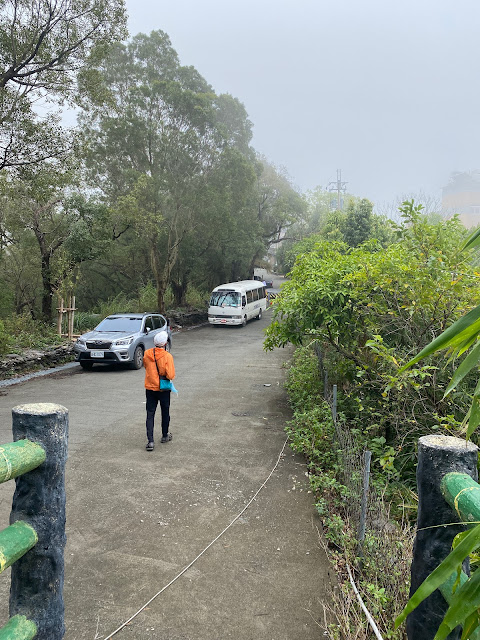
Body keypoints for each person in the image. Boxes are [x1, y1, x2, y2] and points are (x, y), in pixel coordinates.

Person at [143, 330, 175, 451]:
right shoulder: (167, 356)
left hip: (150, 387)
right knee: (165, 411)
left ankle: (150, 441)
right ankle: (165, 435)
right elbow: (170, 375)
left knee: (150, 413)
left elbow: (146, 367)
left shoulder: (147, 354)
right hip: (163, 388)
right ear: (165, 343)